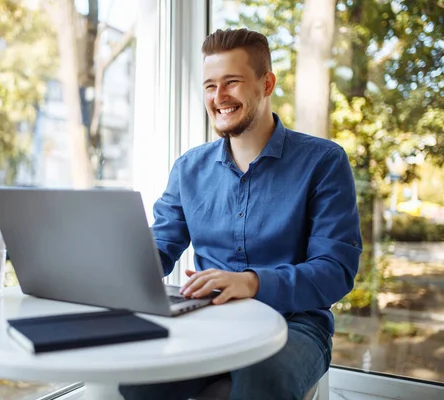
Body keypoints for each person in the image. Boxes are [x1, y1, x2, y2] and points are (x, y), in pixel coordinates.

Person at [119, 28, 362, 400]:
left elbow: (336, 271)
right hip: (207, 319)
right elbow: (159, 247)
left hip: (294, 323)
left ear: (266, 84)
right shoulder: (189, 169)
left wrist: (251, 282)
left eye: (232, 82)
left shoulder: (324, 162)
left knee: (257, 381)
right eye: (210, 86)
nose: (219, 97)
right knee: (137, 380)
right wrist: (113, 271)